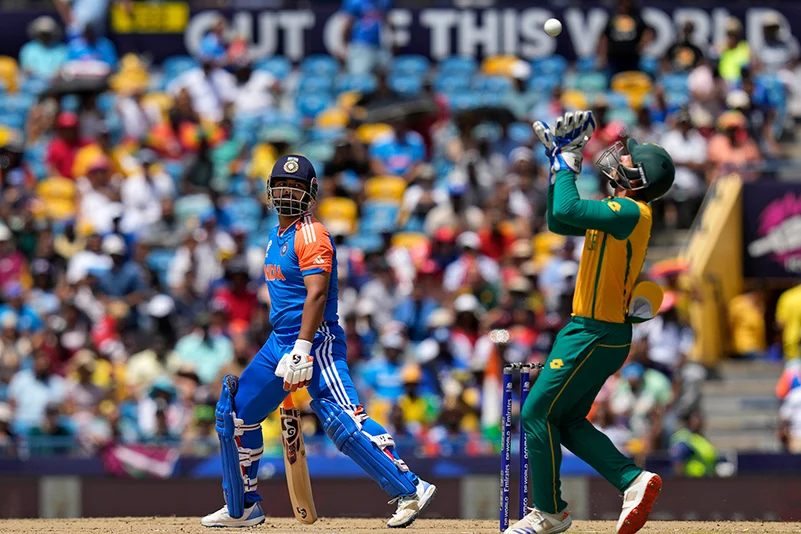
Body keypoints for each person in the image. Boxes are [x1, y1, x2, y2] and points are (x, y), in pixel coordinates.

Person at [200, 155, 436, 528]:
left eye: (296, 187)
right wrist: (289, 345)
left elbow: (317, 294)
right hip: (280, 341)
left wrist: (303, 348)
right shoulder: (275, 237)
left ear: (310, 193)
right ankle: (242, 507)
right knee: (236, 413)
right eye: (281, 186)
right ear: (270, 192)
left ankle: (411, 487)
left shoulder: (313, 233)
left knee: (342, 418)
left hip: (316, 340)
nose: (288, 192)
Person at [505, 111, 675, 534]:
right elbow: (559, 219)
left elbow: (566, 206)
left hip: (593, 332)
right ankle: (631, 479)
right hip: (596, 332)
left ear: (641, 180)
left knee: (535, 413)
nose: (621, 159)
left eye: (630, 161)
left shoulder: (631, 211)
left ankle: (549, 512)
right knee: (565, 421)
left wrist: (567, 160)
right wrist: (557, 165)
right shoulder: (620, 211)